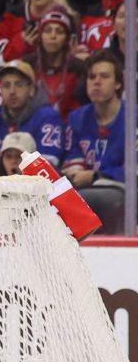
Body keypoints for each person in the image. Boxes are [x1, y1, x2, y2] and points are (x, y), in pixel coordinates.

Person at [62, 50, 127, 234]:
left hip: (124, 190)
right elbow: (74, 159)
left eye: (104, 76)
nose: (96, 82)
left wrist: (97, 176)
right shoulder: (77, 118)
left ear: (118, 83)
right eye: (92, 77)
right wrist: (78, 173)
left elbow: (133, 170)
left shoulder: (133, 118)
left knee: (85, 199)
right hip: (86, 188)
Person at [0, 59, 64, 174]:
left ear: (31, 89)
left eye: (19, 84)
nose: (12, 91)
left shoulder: (47, 117)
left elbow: (49, 163)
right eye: (6, 85)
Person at [31, 6, 85, 116]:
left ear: (67, 38)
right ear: (40, 36)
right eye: (47, 30)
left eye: (59, 32)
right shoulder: (29, 64)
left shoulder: (79, 68)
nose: (53, 36)